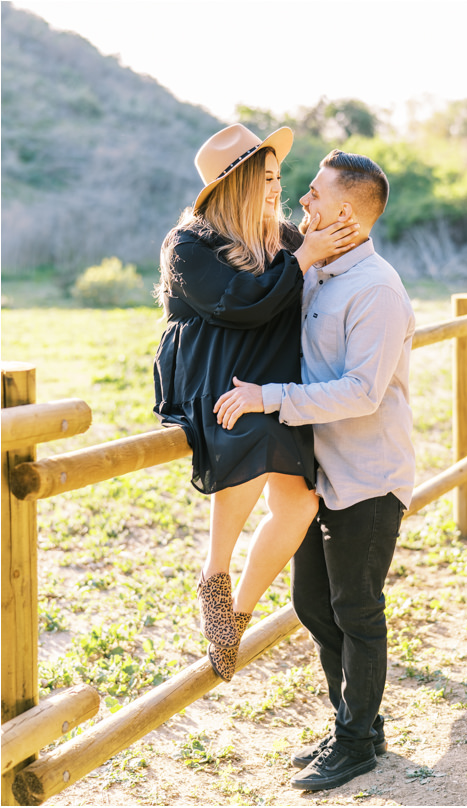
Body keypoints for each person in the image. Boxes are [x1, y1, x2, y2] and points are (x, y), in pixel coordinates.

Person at [213, 149, 416, 793]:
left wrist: (267, 396)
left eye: (313, 195)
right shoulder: (318, 271)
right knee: (311, 602)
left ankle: (356, 741)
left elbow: (362, 391)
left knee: (356, 608)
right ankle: (356, 723)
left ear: (347, 211)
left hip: (368, 476)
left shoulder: (376, 288)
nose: (303, 203)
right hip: (316, 474)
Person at [153, 124, 358, 682]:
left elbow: (334, 261)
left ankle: (236, 611)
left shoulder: (285, 236)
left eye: (278, 177)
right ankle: (214, 572)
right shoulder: (190, 244)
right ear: (236, 184)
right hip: (213, 375)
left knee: (300, 504)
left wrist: (334, 237)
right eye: (265, 178)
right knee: (250, 433)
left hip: (270, 378)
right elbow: (242, 306)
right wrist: (306, 256)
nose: (276, 187)